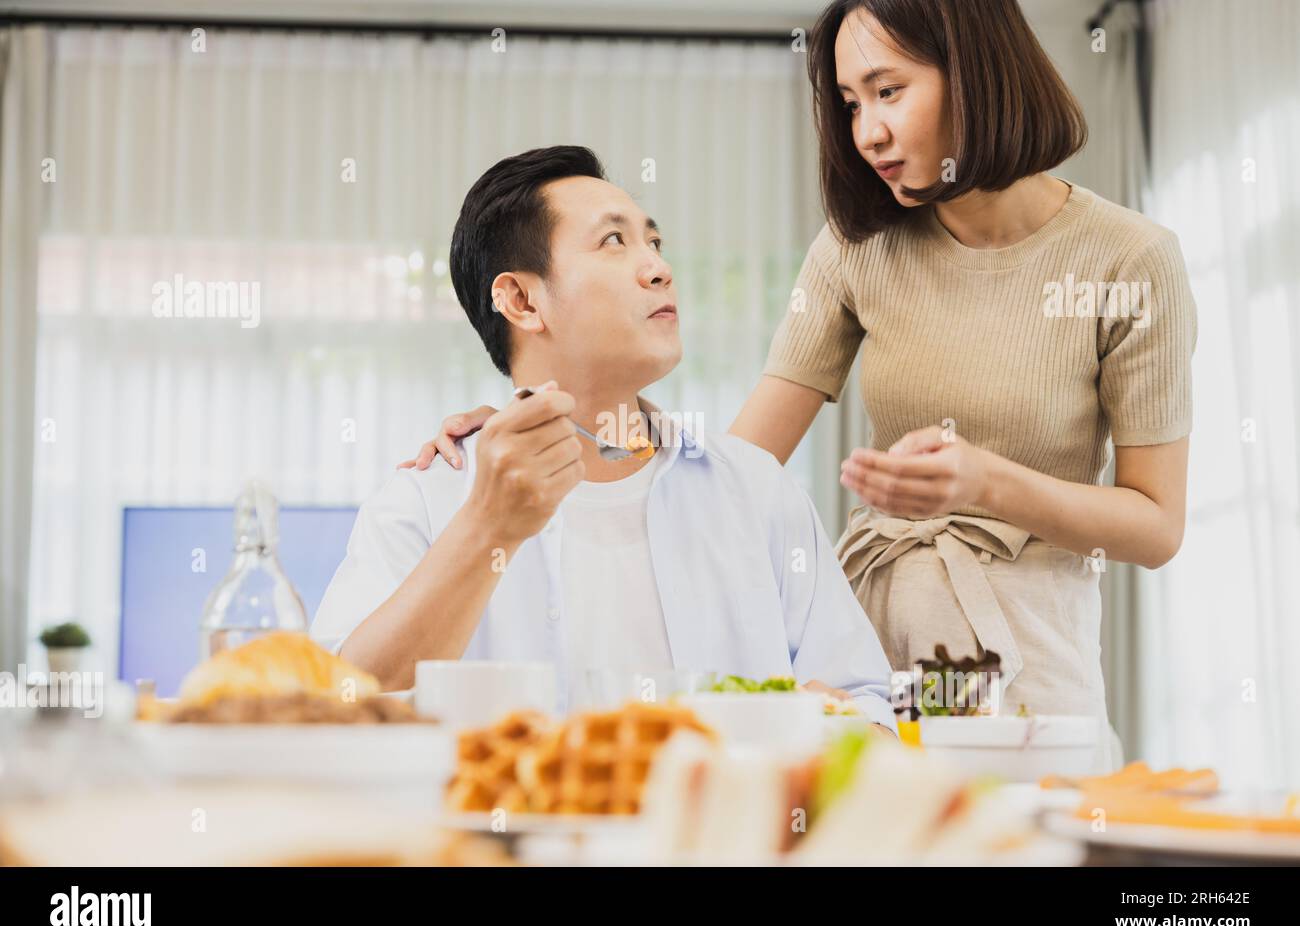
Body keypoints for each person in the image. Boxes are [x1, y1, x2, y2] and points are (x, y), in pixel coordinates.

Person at [403, 0, 1197, 758]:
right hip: (878, 641)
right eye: (851, 104)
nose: (869, 133)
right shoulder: (858, 248)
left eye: (889, 92)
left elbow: (1156, 526)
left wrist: (984, 482)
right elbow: (731, 479)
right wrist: (543, 415)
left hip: (1024, 645)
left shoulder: (1129, 260)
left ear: (976, 71)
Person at [312, 145, 896, 732]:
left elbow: (868, 704)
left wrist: (823, 725)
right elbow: (336, 708)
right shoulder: (428, 497)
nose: (659, 268)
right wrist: (487, 525)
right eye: (614, 242)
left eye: (655, 242)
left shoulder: (755, 489)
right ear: (521, 300)